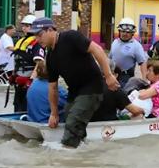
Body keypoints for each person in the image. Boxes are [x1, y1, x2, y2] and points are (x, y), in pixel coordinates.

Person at [31, 17, 119, 148]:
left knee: (73, 122)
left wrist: (109, 76)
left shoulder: (71, 37)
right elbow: (52, 87)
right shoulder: (50, 57)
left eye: (39, 35)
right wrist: (53, 113)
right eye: (35, 36)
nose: (37, 40)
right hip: (74, 92)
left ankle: (67, 157)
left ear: (50, 30)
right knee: (66, 119)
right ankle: (84, 149)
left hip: (92, 87)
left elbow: (98, 50)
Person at [12, 14, 45, 112]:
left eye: (26, 25)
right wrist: (14, 75)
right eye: (23, 25)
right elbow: (17, 61)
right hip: (19, 82)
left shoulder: (37, 43)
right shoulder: (21, 41)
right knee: (17, 105)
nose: (23, 28)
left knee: (27, 107)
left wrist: (31, 81)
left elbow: (39, 63)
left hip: (29, 82)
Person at [109, 17, 147, 87]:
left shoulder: (136, 45)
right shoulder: (114, 42)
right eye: (123, 31)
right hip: (113, 75)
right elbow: (110, 59)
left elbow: (142, 63)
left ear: (132, 33)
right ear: (119, 31)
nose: (125, 34)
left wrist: (144, 80)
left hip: (126, 78)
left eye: (128, 32)